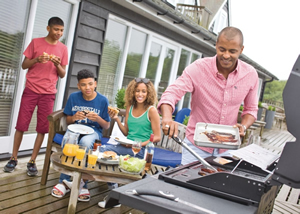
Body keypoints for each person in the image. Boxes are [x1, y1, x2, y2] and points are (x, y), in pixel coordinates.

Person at [158, 26, 259, 165]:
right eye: (222, 49)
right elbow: (172, 92)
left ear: (241, 50)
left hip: (227, 149)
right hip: (196, 146)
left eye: (232, 51)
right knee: (188, 185)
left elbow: (251, 110)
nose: (226, 55)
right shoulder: (199, 68)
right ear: (216, 45)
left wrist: (244, 126)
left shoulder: (250, 74)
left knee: (218, 185)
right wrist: (167, 118)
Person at [4, 17, 68, 176]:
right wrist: (37, 60)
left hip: (48, 94)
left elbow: (62, 74)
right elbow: (24, 65)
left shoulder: (63, 49)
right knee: (21, 125)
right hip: (31, 90)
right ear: (48, 28)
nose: (58, 33)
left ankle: (32, 161)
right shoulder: (36, 43)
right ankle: (13, 158)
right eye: (56, 29)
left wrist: (56, 64)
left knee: (42, 128)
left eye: (61, 30)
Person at [98, 77, 161, 208]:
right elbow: (126, 132)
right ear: (132, 92)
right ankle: (114, 189)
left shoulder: (151, 110)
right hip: (127, 146)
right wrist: (116, 119)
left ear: (148, 93)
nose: (140, 94)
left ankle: (114, 194)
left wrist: (138, 144)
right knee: (104, 152)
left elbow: (157, 136)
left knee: (103, 151)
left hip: (141, 150)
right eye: (137, 91)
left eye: (144, 91)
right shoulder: (130, 107)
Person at [51, 69, 110, 201]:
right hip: (75, 129)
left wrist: (98, 119)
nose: (87, 87)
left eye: (90, 84)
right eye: (83, 85)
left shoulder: (102, 100)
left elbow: (106, 125)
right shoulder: (74, 97)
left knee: (85, 144)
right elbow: (68, 120)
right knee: (69, 141)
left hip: (94, 131)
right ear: (78, 86)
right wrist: (74, 117)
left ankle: (82, 184)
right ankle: (64, 182)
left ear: (95, 84)